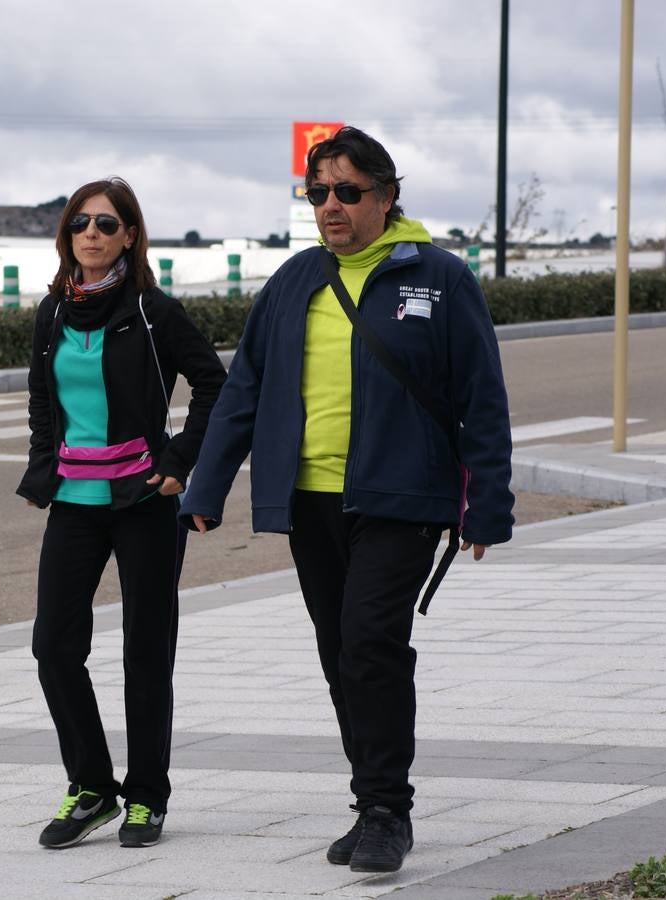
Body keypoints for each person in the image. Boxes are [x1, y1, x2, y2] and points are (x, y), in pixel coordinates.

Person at [179, 126, 514, 874]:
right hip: (310, 500)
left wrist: (487, 503)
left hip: (403, 495)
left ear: (387, 196)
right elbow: (245, 390)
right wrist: (206, 485)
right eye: (318, 192)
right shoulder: (295, 280)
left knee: (370, 645)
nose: (331, 205)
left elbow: (481, 397)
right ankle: (369, 802)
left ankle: (390, 811)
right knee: (341, 656)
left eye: (348, 191)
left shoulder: (439, 277)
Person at [16, 177, 226, 850]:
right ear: (66, 234)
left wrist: (179, 461)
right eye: (81, 223)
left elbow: (214, 384)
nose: (93, 234)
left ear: (131, 235)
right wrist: (44, 466)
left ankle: (148, 797)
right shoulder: (51, 314)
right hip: (74, 505)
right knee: (53, 647)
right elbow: (42, 403)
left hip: (144, 502)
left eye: (108, 224)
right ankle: (92, 788)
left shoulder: (152, 311)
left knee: (145, 652)